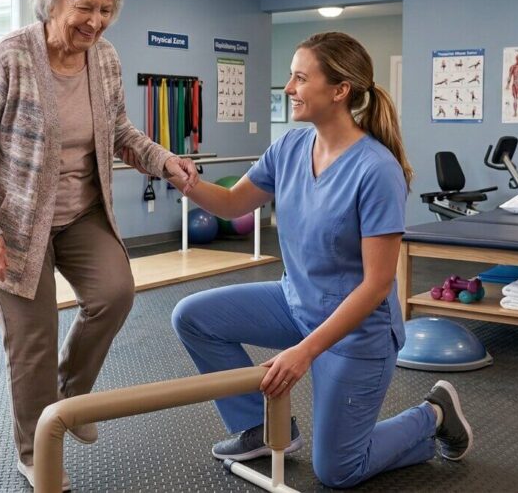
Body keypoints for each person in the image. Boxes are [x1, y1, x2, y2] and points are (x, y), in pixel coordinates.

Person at [171, 32, 473, 489]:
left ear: (339, 90)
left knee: (337, 470)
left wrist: (305, 352)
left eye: (299, 78)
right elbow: (233, 204)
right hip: (295, 303)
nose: (289, 88)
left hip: (357, 331)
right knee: (193, 316)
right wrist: (186, 181)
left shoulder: (377, 170)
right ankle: (261, 427)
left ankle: (432, 414)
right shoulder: (289, 148)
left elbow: (376, 285)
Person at [0, 0, 198, 489]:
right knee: (32, 340)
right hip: (13, 226)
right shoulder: (10, 57)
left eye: (106, 10)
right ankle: (36, 451)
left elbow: (119, 132)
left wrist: (164, 161)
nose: (96, 21)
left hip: (81, 212)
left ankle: (70, 393)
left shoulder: (104, 59)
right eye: (85, 7)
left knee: (115, 292)